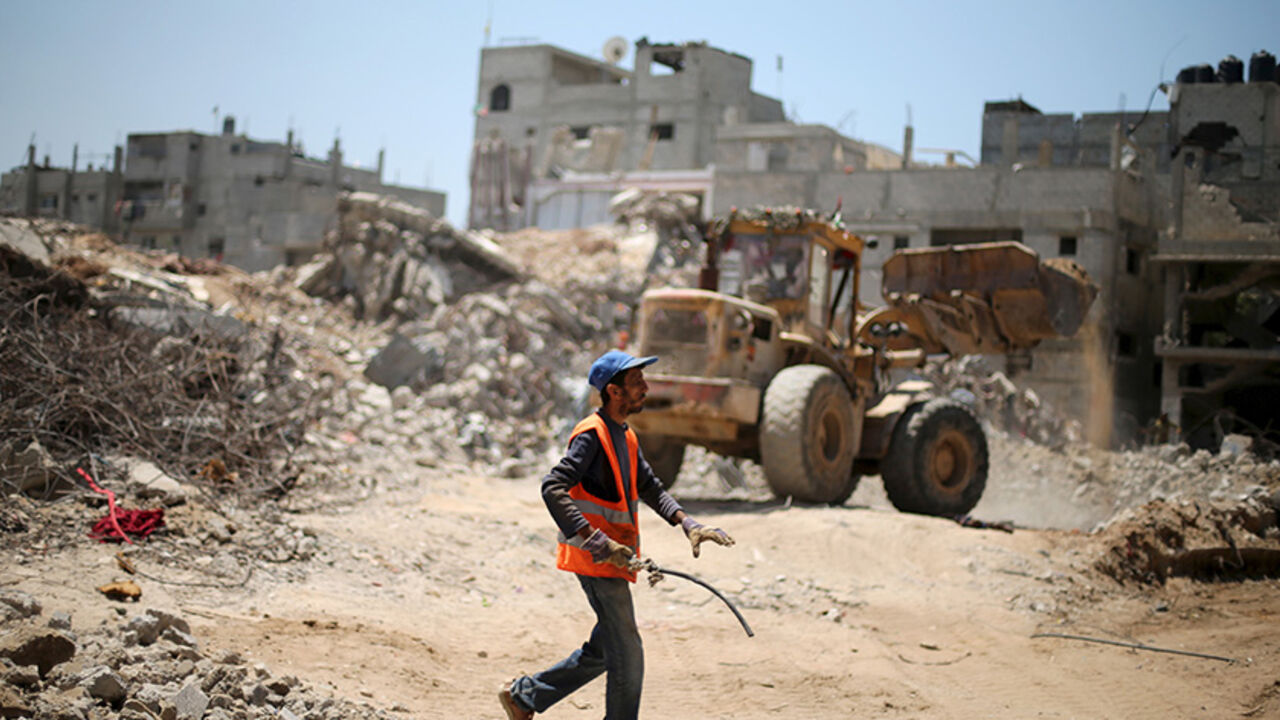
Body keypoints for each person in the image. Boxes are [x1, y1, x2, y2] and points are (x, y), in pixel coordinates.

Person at [499, 350, 735, 720]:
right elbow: (553, 487)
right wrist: (594, 540)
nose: (645, 387)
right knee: (628, 653)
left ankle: (525, 697)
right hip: (597, 560)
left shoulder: (625, 437)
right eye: (636, 382)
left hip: (614, 559)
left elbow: (651, 487)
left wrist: (688, 523)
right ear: (614, 391)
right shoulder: (591, 436)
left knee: (607, 649)